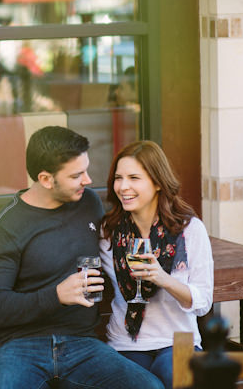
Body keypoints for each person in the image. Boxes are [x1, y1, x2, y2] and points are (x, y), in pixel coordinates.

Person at [0, 126, 164, 389]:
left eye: (86, 170)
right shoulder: (6, 226)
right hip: (20, 347)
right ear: (46, 179)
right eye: (76, 175)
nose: (88, 180)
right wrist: (56, 295)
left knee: (150, 387)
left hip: (83, 344)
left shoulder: (88, 203)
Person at [100, 140, 214, 389]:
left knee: (179, 379)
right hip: (125, 343)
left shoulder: (189, 230)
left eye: (134, 177)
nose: (123, 186)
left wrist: (163, 278)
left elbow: (203, 302)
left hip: (179, 341)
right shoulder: (108, 232)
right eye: (118, 178)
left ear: (158, 183)